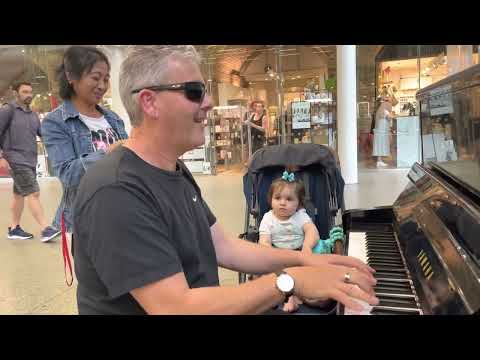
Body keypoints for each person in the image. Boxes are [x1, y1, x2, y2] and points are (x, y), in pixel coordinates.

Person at [72, 45, 378, 315]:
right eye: (194, 92)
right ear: (149, 102)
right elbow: (175, 308)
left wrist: (303, 260)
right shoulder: (116, 191)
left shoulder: (171, 169)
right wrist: (290, 281)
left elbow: (224, 246)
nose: (208, 103)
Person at [41, 46, 128, 238]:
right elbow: (66, 173)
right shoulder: (55, 123)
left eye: (106, 79)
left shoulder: (113, 118)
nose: (102, 86)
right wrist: (108, 153)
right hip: (86, 221)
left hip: (123, 213)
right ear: (72, 77)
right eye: (95, 77)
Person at [258, 169, 344, 312]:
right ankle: (293, 296)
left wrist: (307, 247)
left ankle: (301, 294)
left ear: (299, 203)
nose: (283, 203)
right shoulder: (268, 219)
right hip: (278, 255)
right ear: (270, 200)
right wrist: (269, 252)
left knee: (315, 266)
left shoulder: (300, 216)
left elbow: (312, 232)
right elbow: (264, 240)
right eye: (277, 198)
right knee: (269, 269)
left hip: (302, 252)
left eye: (289, 199)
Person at [0, 81, 60, 242]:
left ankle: (14, 229)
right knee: (33, 192)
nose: (29, 95)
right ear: (16, 93)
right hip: (15, 158)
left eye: (30, 92)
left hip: (30, 159)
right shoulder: (8, 110)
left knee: (18, 195)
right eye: (25, 92)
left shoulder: (32, 114)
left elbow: (43, 135)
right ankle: (45, 228)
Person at [372, 88, 398, 168]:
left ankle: (379, 160)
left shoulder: (383, 104)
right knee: (381, 142)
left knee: (380, 142)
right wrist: (393, 116)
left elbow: (386, 115)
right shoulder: (386, 104)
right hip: (382, 126)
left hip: (381, 126)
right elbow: (387, 116)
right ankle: (379, 161)